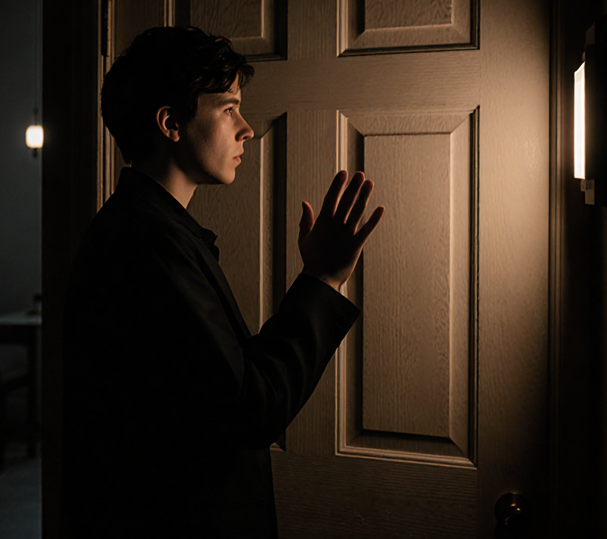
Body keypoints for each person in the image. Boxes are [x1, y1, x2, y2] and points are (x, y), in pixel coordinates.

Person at [62, 26, 384, 538]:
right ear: (170, 122)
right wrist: (322, 278)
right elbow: (248, 408)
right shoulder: (148, 243)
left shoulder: (155, 232)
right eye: (228, 107)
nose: (247, 129)